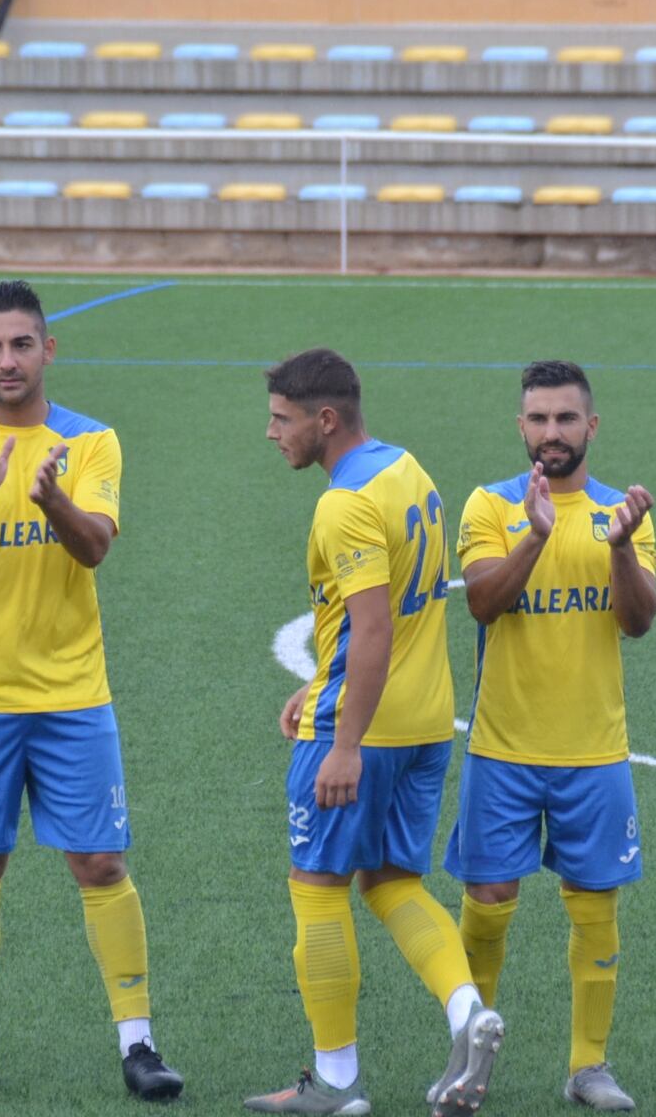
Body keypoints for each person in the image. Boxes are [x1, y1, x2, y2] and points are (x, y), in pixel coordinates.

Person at [0, 280, 184, 1102]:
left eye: (21, 345)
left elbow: (96, 546)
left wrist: (52, 498)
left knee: (100, 862)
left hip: (73, 693)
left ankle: (138, 1042)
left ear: (48, 350)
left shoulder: (90, 442)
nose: (7, 361)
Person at [246, 349, 503, 1117]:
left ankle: (337, 1084)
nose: (271, 434)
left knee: (317, 889)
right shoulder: (408, 470)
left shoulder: (343, 504)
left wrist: (345, 740)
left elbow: (374, 628)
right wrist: (320, 679)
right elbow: (397, 610)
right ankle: (467, 1012)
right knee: (393, 881)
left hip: (363, 729)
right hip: (426, 724)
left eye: (282, 420)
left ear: (326, 420)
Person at [444, 360, 656, 1112]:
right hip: (502, 749)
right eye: (538, 419)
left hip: (594, 752)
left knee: (594, 901)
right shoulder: (487, 506)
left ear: (590, 427)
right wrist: (534, 540)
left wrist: (624, 547)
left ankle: (588, 1067)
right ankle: (469, 1058)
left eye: (567, 419)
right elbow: (482, 604)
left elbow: (638, 621)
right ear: (520, 426)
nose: (552, 433)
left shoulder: (620, 512)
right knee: (489, 897)